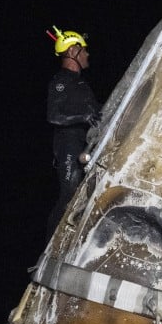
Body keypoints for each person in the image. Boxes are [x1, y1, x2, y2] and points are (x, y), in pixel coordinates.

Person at [46, 26, 102, 239]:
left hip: (85, 145)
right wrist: (83, 117)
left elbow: (97, 112)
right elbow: (53, 116)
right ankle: (51, 245)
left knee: (86, 193)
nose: (87, 54)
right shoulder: (61, 81)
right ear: (72, 52)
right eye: (83, 50)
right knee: (69, 193)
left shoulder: (81, 84)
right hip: (68, 146)